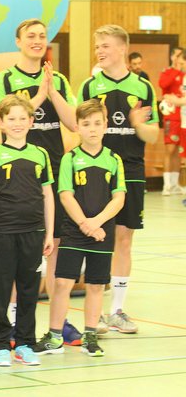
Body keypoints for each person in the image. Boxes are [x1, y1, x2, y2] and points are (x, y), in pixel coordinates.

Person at [0, 18, 80, 346]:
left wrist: (52, 91)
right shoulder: (4, 79)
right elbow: (2, 123)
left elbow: (74, 124)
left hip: (52, 170)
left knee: (54, 250)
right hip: (17, 175)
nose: (37, 40)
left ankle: (58, 325)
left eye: (42, 36)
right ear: (18, 41)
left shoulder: (58, 79)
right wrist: (39, 96)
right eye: (31, 36)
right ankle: (17, 325)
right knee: (19, 255)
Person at [77, 24, 159, 334]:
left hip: (132, 172)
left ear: (122, 49)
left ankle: (117, 311)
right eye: (98, 46)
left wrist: (138, 123)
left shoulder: (143, 87)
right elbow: (80, 130)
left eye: (106, 46)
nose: (100, 51)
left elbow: (153, 135)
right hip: (97, 173)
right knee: (97, 238)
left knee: (124, 240)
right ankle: (95, 313)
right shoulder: (90, 87)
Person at [33, 100, 126, 358]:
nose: (92, 129)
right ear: (77, 127)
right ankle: (55, 336)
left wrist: (97, 222)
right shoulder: (70, 159)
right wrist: (85, 223)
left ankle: (90, 335)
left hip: (102, 232)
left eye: (97, 123)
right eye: (86, 124)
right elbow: (65, 195)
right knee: (63, 282)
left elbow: (119, 198)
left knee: (96, 285)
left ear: (106, 125)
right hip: (74, 231)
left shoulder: (114, 160)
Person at [0, 94, 54, 367]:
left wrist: (49, 233)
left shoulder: (40, 154)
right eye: (11, 119)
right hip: (3, 232)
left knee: (29, 290)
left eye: (23, 118)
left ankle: (24, 343)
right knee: (0, 290)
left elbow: (48, 195)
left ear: (31, 121)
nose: (17, 123)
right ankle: (0, 344)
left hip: (33, 232)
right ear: (1, 123)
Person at [158, 47, 184, 195]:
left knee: (179, 151)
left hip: (183, 117)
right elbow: (163, 85)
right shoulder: (167, 71)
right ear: (173, 57)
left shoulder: (184, 74)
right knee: (170, 149)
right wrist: (175, 69)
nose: (180, 59)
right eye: (177, 55)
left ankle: (175, 184)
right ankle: (166, 185)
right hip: (171, 117)